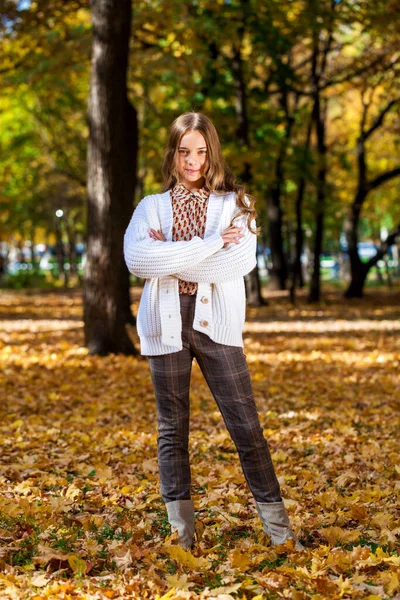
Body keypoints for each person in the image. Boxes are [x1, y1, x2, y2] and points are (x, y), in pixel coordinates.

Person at [123, 112, 305, 552]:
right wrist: (208, 245)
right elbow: (137, 261)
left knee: (246, 427)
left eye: (201, 151)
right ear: (172, 153)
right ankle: (181, 535)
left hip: (217, 324)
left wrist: (165, 254)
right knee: (172, 430)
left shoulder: (235, 205)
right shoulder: (150, 206)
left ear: (212, 152)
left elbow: (237, 264)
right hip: (163, 325)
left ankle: (279, 533)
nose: (193, 160)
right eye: (184, 151)